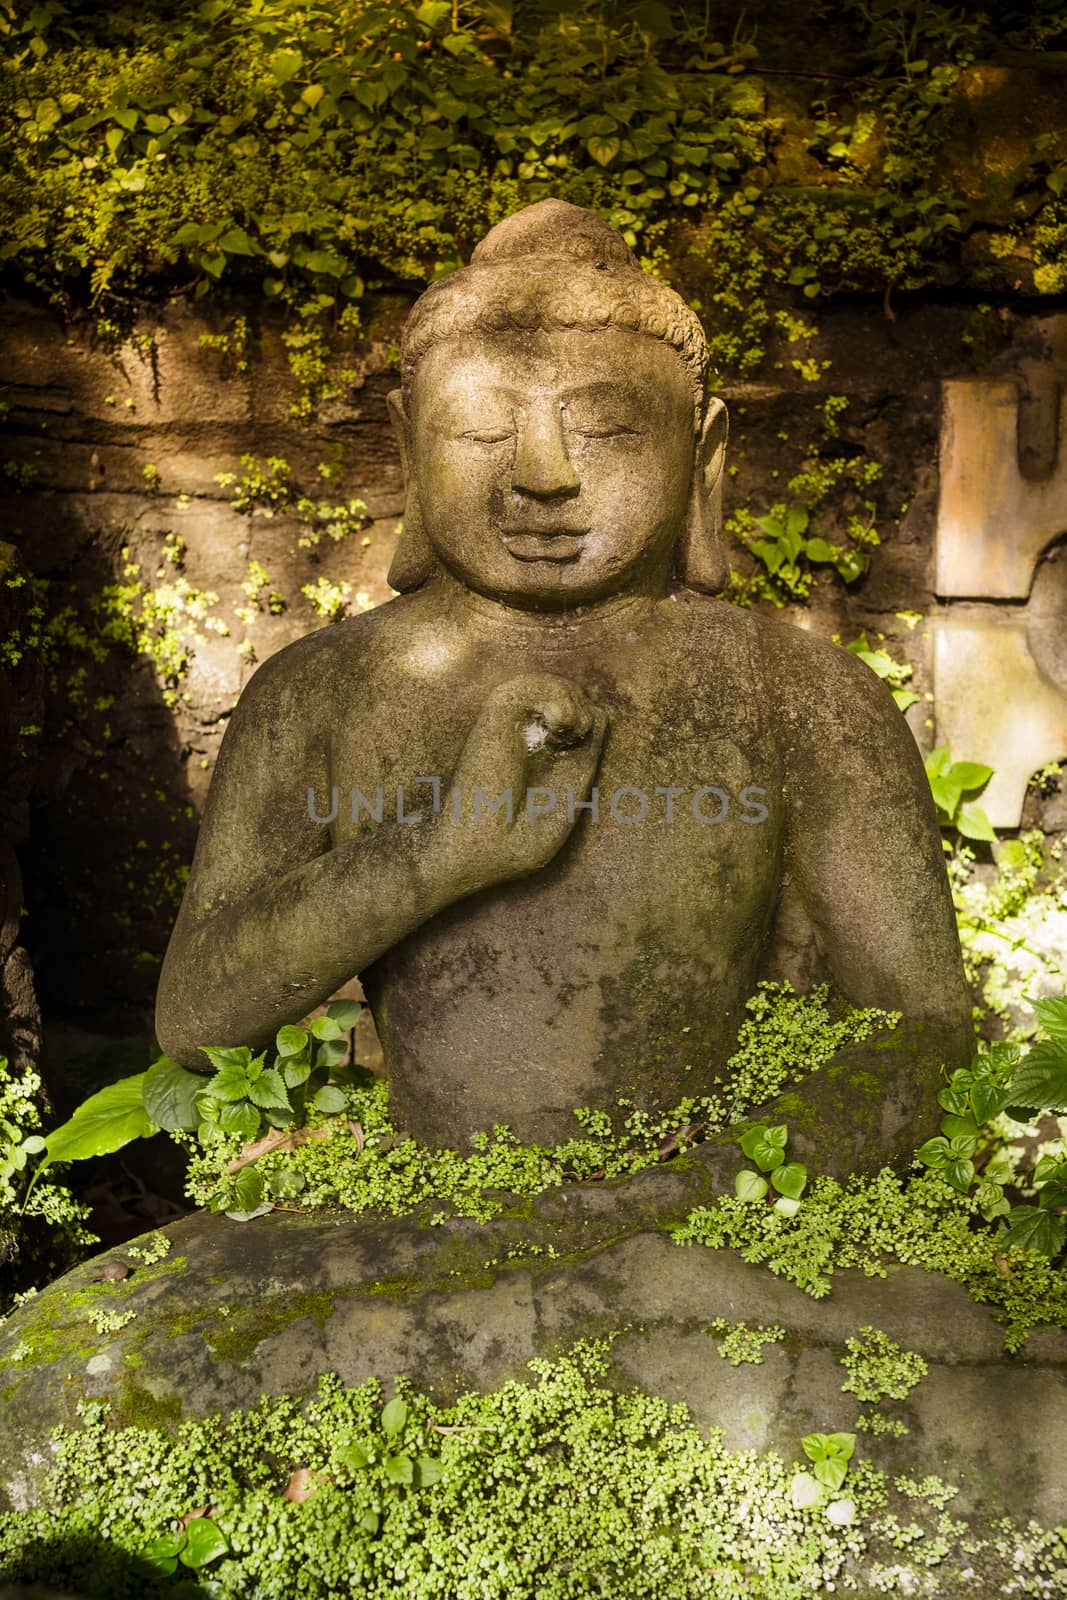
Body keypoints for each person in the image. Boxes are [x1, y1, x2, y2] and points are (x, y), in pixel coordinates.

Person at [156, 199, 972, 1177]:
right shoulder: (314, 692)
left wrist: (709, 1183)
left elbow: (918, 1038)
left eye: (608, 428)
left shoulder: (800, 692)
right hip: (425, 1220)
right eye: (475, 430)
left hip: (700, 1220)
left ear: (703, 451)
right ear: (408, 446)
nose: (542, 476)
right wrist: (439, 852)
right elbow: (197, 1017)